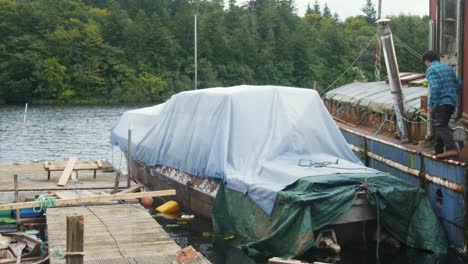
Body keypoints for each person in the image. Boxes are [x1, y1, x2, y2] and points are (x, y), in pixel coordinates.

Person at [423, 50, 462, 159]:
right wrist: (451, 92)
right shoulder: (447, 68)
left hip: (441, 102)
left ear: (426, 60)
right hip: (452, 102)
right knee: (440, 125)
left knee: (441, 125)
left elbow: (435, 88)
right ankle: (438, 151)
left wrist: (430, 105)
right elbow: (459, 84)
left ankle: (452, 149)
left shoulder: (430, 69)